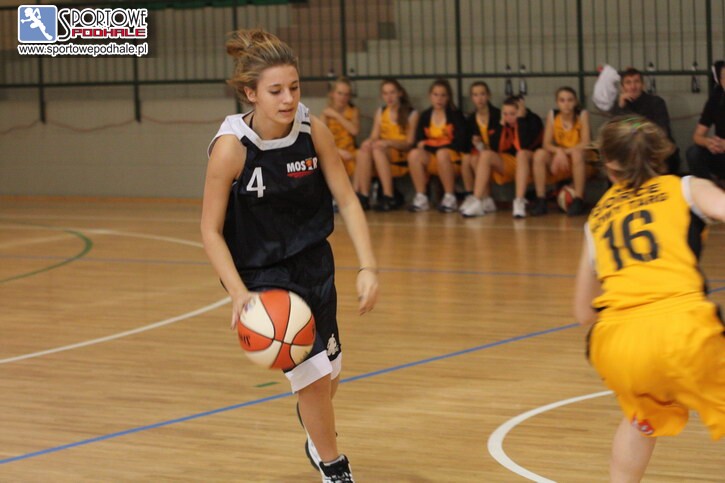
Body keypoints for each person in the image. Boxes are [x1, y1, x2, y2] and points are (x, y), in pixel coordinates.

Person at [200, 29, 378, 483]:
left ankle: (315, 432)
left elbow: (348, 199)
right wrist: (238, 294)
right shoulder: (231, 148)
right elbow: (210, 230)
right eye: (276, 91)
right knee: (313, 378)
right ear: (251, 94)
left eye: (294, 88)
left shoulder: (312, 130)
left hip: (314, 264)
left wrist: (368, 267)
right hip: (262, 277)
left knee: (329, 375)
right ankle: (334, 467)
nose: (288, 99)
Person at [574, 115, 725, 482]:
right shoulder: (685, 188)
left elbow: (583, 311)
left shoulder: (597, 218)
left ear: (607, 164)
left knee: (641, 419)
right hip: (682, 329)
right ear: (660, 153)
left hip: (617, 344)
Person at [461, 96, 543, 218]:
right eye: (505, 114)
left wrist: (521, 119)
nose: (508, 117)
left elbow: (523, 144)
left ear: (521, 111)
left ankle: (519, 201)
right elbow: (495, 148)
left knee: (521, 154)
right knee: (486, 155)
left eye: (512, 114)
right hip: (512, 163)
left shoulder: (533, 120)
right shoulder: (503, 123)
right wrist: (500, 126)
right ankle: (477, 200)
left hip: (531, 164)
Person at [354, 78, 418, 211]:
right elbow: (374, 136)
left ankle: (389, 196)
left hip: (401, 151)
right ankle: (364, 196)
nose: (389, 97)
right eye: (385, 93)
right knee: (363, 151)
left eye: (392, 92)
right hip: (383, 149)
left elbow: (409, 143)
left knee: (377, 150)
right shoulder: (381, 111)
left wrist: (388, 142)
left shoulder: (411, 113)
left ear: (400, 93)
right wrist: (367, 142)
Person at [407, 78, 467, 213]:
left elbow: (460, 142)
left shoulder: (455, 115)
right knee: (414, 154)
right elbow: (419, 142)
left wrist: (431, 144)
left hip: (453, 159)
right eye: (435, 94)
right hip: (433, 157)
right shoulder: (425, 116)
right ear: (430, 96)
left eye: (443, 95)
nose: (439, 99)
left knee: (442, 153)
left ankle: (450, 197)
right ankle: (421, 197)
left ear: (448, 97)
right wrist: (435, 144)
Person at [530, 87, 592, 216]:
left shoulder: (582, 115)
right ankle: (541, 199)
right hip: (561, 159)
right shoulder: (553, 115)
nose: (566, 104)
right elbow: (546, 144)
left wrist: (563, 152)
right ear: (557, 102)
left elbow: (586, 143)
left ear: (575, 102)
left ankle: (578, 199)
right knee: (539, 154)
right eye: (562, 100)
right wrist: (559, 151)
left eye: (570, 100)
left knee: (576, 154)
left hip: (581, 159)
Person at [609, 67, 681, 174]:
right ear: (622, 87)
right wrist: (620, 108)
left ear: (643, 85)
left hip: (653, 148)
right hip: (629, 149)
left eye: (636, 82)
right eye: (628, 83)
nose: (633, 86)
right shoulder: (620, 105)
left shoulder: (656, 102)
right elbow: (614, 133)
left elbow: (662, 131)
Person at [458, 81, 501, 215]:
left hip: (498, 155)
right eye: (475, 95)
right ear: (472, 98)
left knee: (480, 157)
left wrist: (482, 145)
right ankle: (478, 197)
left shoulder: (498, 115)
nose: (479, 98)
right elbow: (465, 145)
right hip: (482, 154)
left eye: (482, 94)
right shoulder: (471, 119)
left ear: (488, 95)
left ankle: (483, 199)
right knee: (468, 158)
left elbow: (499, 143)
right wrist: (476, 144)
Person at [686, 60, 725, 185]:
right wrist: (708, 142)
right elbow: (697, 136)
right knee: (694, 153)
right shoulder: (716, 99)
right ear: (721, 81)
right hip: (720, 150)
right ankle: (709, 189)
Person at [320, 77, 360, 181]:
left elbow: (354, 131)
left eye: (346, 94)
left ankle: (357, 190)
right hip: (333, 150)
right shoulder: (326, 113)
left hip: (350, 150)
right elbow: (321, 141)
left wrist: (337, 116)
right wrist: (338, 152)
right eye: (340, 93)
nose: (343, 97)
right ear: (332, 94)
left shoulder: (353, 110)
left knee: (362, 156)